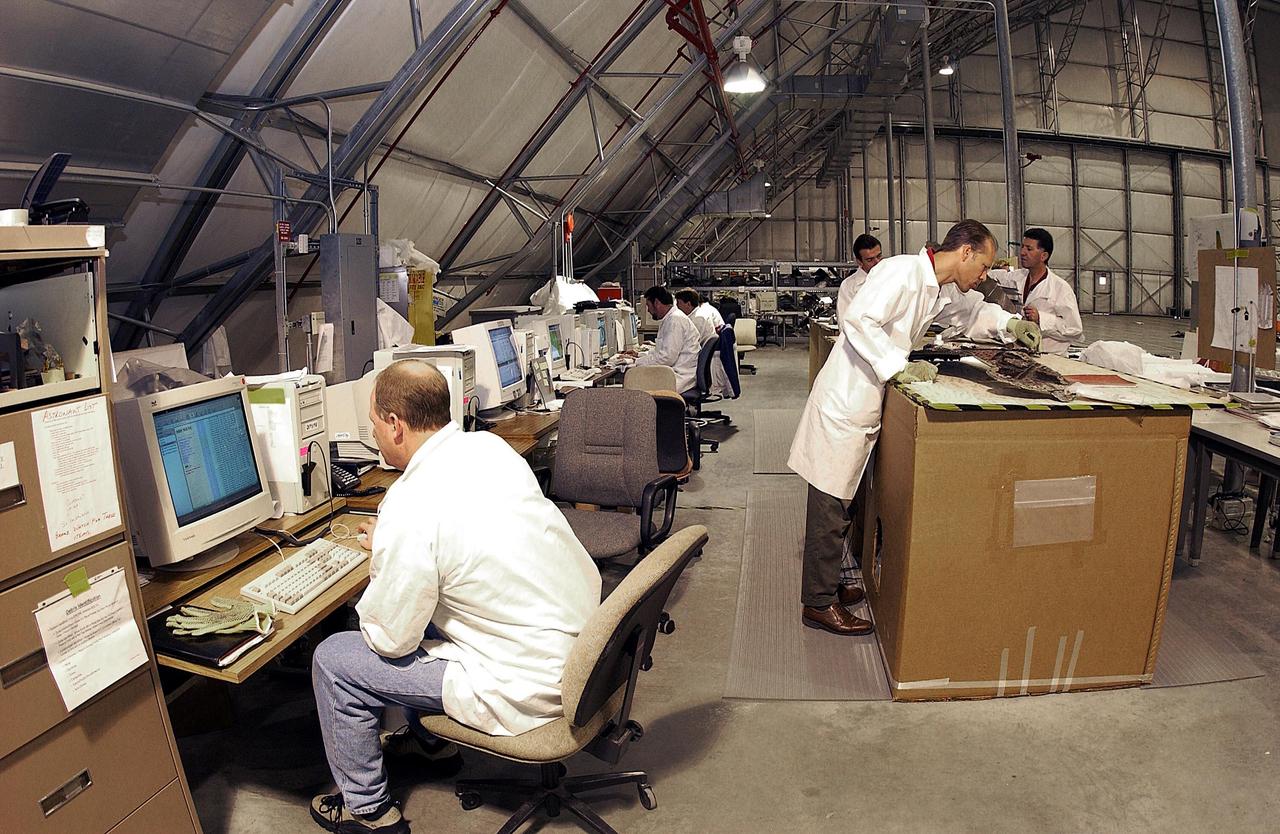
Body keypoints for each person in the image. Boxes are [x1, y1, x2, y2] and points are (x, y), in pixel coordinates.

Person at [309, 360, 600, 834]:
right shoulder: (489, 448)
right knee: (431, 608)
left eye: (374, 426)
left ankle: (370, 814)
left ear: (394, 425)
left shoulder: (410, 503)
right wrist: (395, 540)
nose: (375, 436)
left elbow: (390, 640)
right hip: (580, 645)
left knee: (334, 659)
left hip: (524, 680)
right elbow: (467, 532)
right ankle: (432, 746)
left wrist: (389, 554)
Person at [787, 220, 1042, 636]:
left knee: (845, 504)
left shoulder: (936, 287)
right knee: (829, 507)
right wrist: (899, 365)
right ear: (965, 252)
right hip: (844, 401)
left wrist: (1008, 325)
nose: (984, 275)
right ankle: (817, 604)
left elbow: (971, 310)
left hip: (864, 403)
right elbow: (858, 320)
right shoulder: (902, 271)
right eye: (983, 265)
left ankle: (829, 583)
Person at [624, 285, 702, 395]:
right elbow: (662, 351)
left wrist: (636, 362)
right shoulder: (671, 318)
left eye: (648, 306)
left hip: (677, 378)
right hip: (676, 372)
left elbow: (667, 358)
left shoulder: (675, 320)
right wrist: (639, 355)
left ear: (656, 303)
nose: (648, 311)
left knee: (631, 383)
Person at [1018, 228, 1083, 354]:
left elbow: (1074, 329)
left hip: (1052, 357)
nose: (1022, 252)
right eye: (1022, 247)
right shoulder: (1016, 278)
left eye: (1029, 249)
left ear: (1044, 256)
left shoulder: (1060, 288)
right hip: (1021, 352)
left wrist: (1041, 318)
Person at [836, 234, 885, 320]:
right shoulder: (849, 286)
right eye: (870, 260)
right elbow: (845, 322)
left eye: (879, 256)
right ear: (859, 262)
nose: (877, 262)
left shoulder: (891, 278)